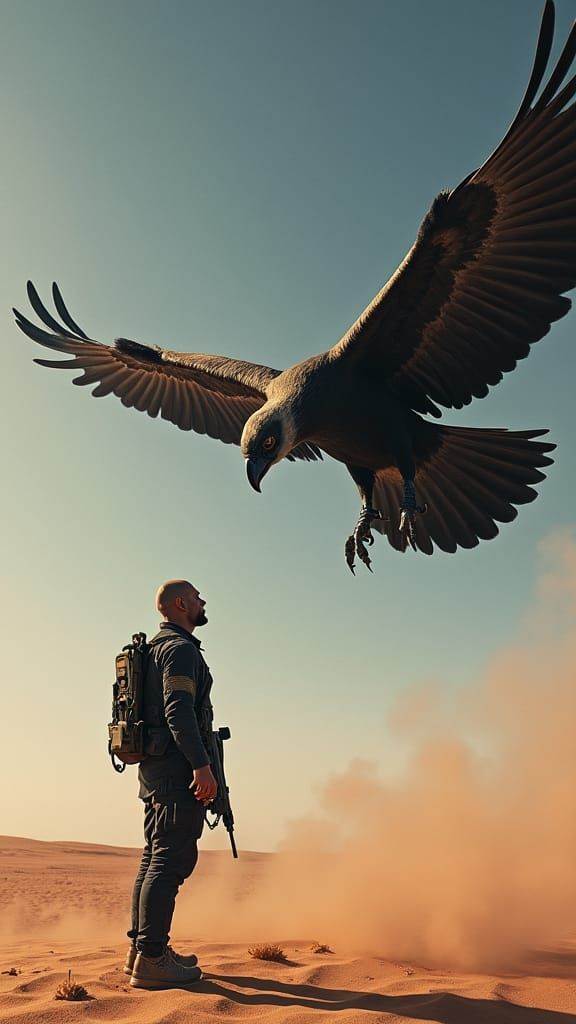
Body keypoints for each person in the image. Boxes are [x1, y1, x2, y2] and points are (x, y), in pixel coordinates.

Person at [126, 579, 218, 990]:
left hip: (155, 768)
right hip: (177, 771)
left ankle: (144, 951)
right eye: (197, 596)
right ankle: (151, 959)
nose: (203, 601)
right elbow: (179, 711)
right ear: (181, 604)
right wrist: (201, 765)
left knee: (153, 860)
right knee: (169, 862)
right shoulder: (179, 650)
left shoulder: (155, 648)